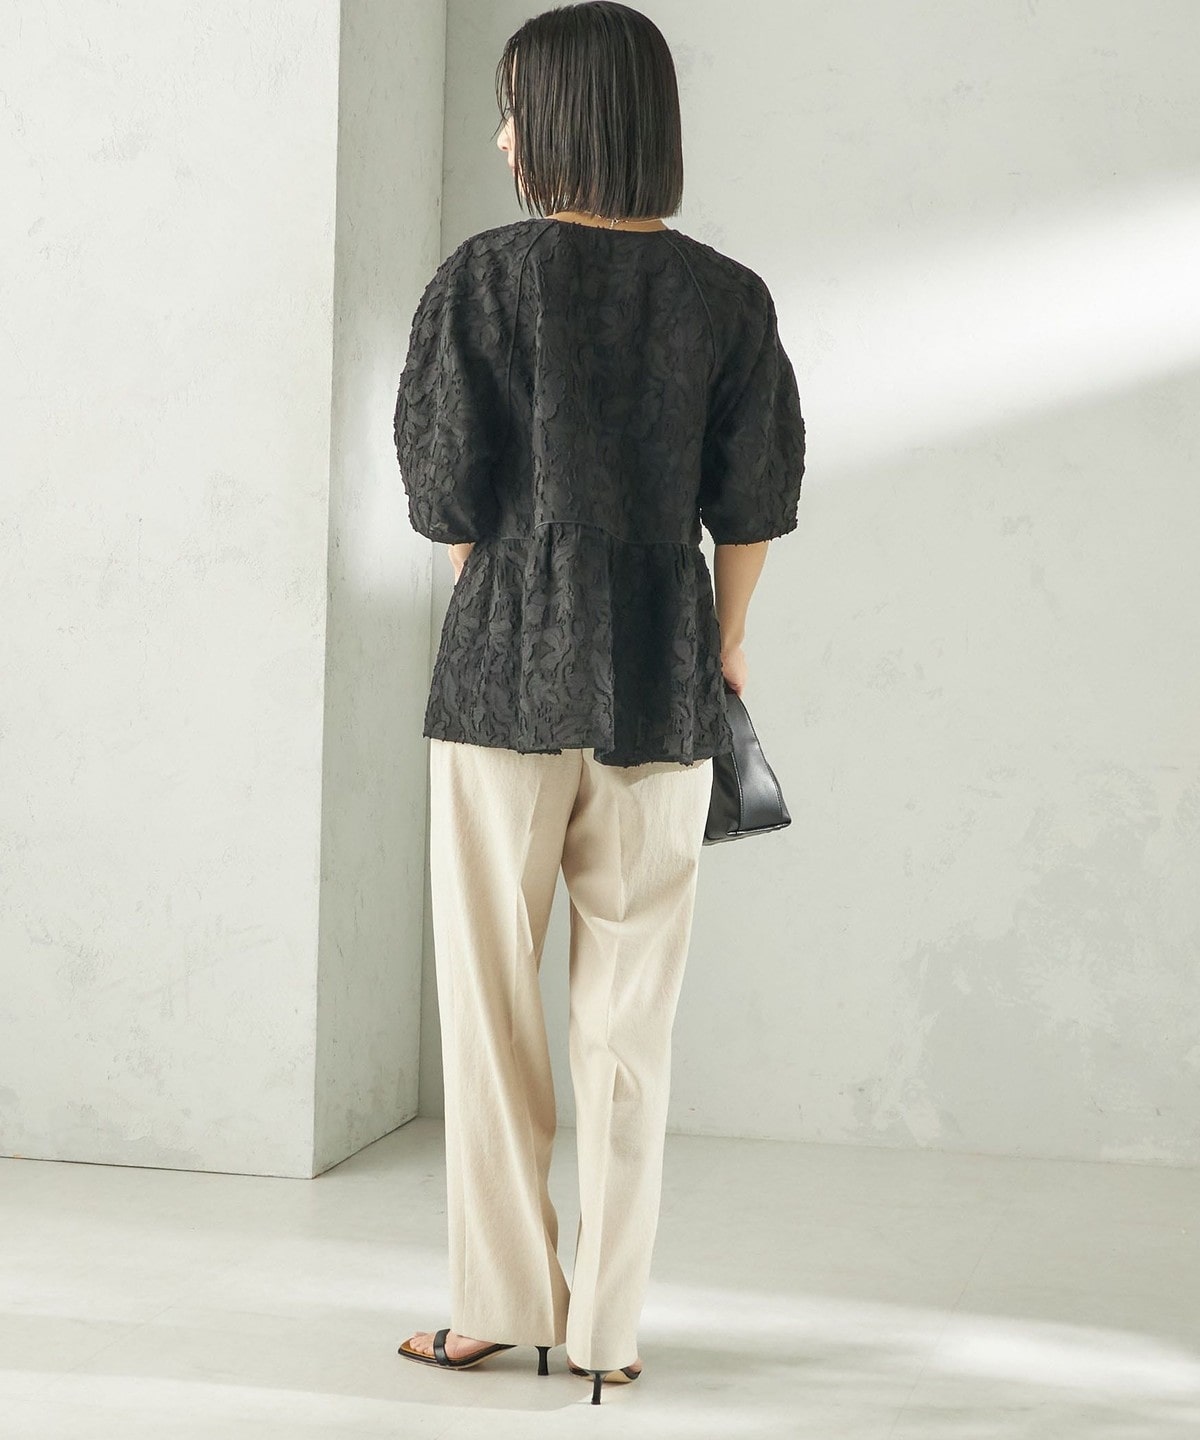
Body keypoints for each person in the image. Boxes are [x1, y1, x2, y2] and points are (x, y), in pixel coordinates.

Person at [393, 1, 805, 1406]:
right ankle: (607, 1329)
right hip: (662, 682)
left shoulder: (486, 277)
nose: (503, 137)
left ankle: (498, 1301)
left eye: (514, 109)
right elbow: (753, 501)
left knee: (487, 1002)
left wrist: (510, 588)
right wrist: (725, 644)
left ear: (564, 120)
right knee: (631, 1021)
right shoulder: (727, 298)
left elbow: (445, 497)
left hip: (500, 680)